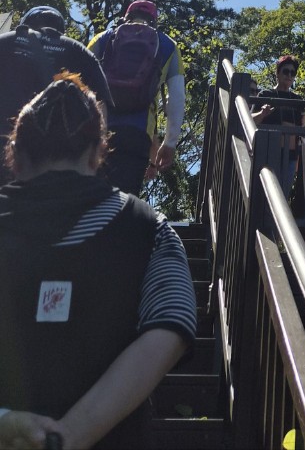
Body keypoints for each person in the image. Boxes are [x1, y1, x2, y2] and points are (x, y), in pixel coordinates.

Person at [0, 73, 196, 449]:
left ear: (16, 155)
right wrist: (68, 435)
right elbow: (173, 322)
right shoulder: (148, 227)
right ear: (97, 153)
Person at [0, 6, 112, 186]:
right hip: (63, 159)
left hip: (8, 147)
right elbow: (100, 107)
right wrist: (95, 156)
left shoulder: (4, 41)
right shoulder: (79, 51)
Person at [89, 0, 185, 197]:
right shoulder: (168, 45)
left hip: (98, 130)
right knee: (125, 199)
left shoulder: (103, 38)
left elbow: (78, 79)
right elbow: (177, 97)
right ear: (154, 20)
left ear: (126, 16)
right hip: (138, 133)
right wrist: (169, 143)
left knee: (91, 197)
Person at [255, 55, 305, 198]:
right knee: (266, 194)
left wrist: (304, 122)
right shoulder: (266, 94)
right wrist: (262, 113)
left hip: (290, 156)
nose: (289, 75)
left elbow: (301, 130)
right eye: (286, 71)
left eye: (293, 73)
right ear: (277, 73)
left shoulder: (297, 99)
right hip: (269, 153)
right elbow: (249, 119)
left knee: (283, 196)